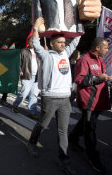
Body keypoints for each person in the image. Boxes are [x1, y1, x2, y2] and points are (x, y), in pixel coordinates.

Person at [27, 17, 80, 175]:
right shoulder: (46, 55)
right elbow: (35, 43)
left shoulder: (66, 53)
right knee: (42, 125)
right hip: (50, 98)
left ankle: (64, 161)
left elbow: (76, 39)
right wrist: (36, 27)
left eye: (64, 42)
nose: (64, 44)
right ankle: (32, 142)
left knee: (63, 131)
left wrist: (78, 20)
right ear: (51, 44)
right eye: (60, 42)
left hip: (65, 99)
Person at [68, 37, 112, 173]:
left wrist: (109, 78)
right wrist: (100, 78)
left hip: (99, 100)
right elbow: (79, 79)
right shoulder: (84, 59)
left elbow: (99, 77)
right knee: (90, 128)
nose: (107, 50)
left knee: (85, 123)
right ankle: (93, 158)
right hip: (88, 101)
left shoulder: (100, 59)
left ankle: (73, 138)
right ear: (97, 48)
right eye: (105, 47)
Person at [12, 36, 39, 119]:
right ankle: (16, 105)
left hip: (37, 76)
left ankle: (32, 111)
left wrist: (46, 51)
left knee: (34, 95)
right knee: (24, 93)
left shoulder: (39, 51)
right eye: (31, 41)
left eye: (34, 41)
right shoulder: (23, 51)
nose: (32, 42)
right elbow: (18, 61)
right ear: (28, 42)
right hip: (27, 75)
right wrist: (20, 70)